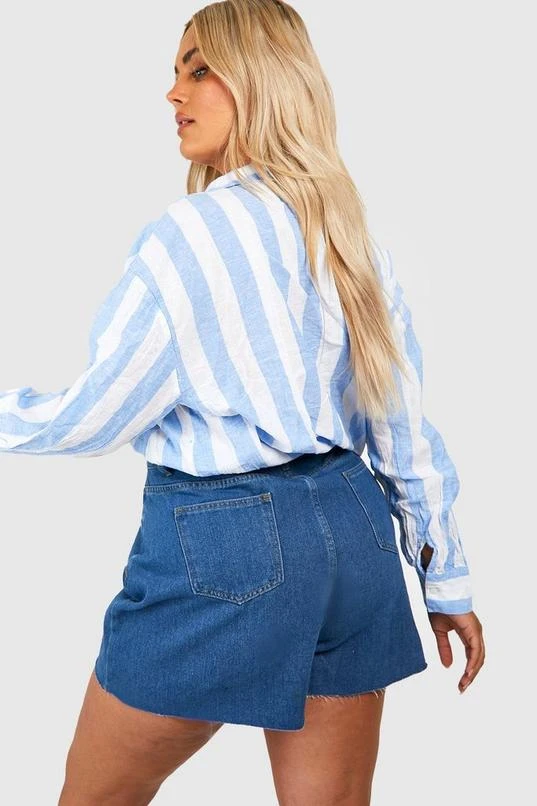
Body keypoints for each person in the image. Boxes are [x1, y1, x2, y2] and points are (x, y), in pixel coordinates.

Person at [0, 1, 485, 803]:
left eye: (199, 70)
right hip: (354, 535)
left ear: (262, 80)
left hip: (226, 543)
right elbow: (400, 428)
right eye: (174, 72)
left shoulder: (189, 235)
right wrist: (447, 582)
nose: (173, 93)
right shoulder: (349, 234)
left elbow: (94, 417)